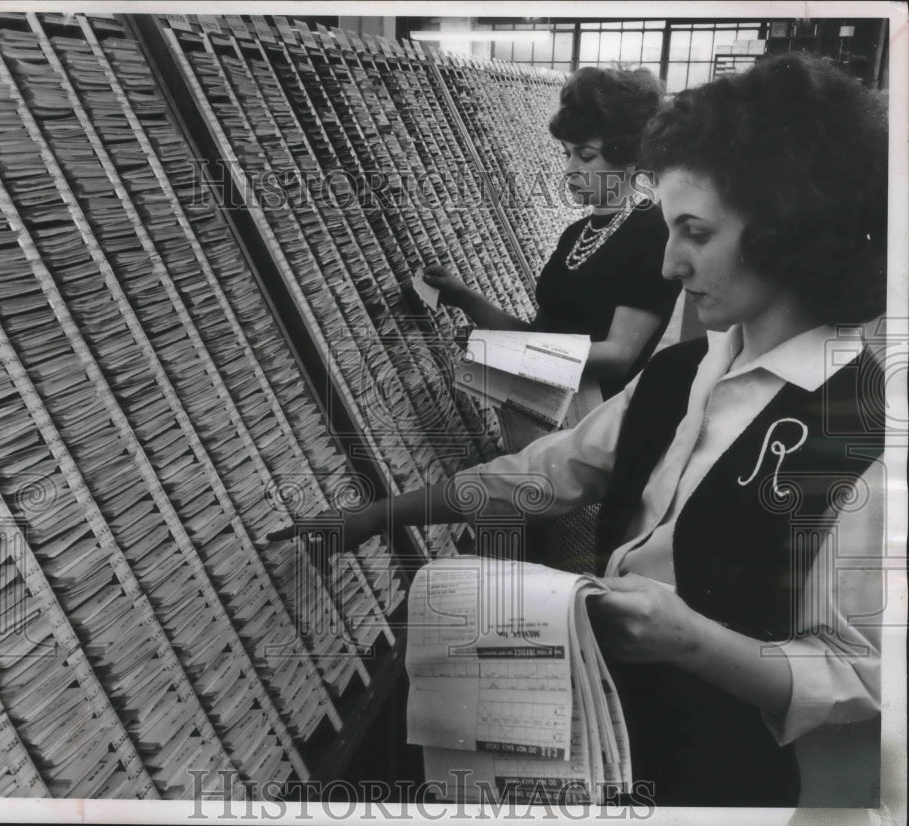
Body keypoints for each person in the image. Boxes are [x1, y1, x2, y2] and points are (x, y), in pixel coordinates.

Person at [271, 53, 888, 807]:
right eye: (668, 228)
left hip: (717, 781)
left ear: (788, 233)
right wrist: (374, 517)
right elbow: (546, 473)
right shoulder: (682, 375)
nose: (668, 264)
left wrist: (692, 640)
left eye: (694, 232)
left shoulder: (866, 436)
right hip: (609, 739)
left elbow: (858, 676)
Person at [423, 66, 681, 400]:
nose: (570, 169)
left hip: (595, 424)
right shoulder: (575, 236)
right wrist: (464, 298)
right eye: (567, 154)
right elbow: (536, 335)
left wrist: (509, 353)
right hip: (540, 410)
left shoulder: (651, 232)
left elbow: (618, 356)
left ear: (629, 160)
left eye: (586, 156)